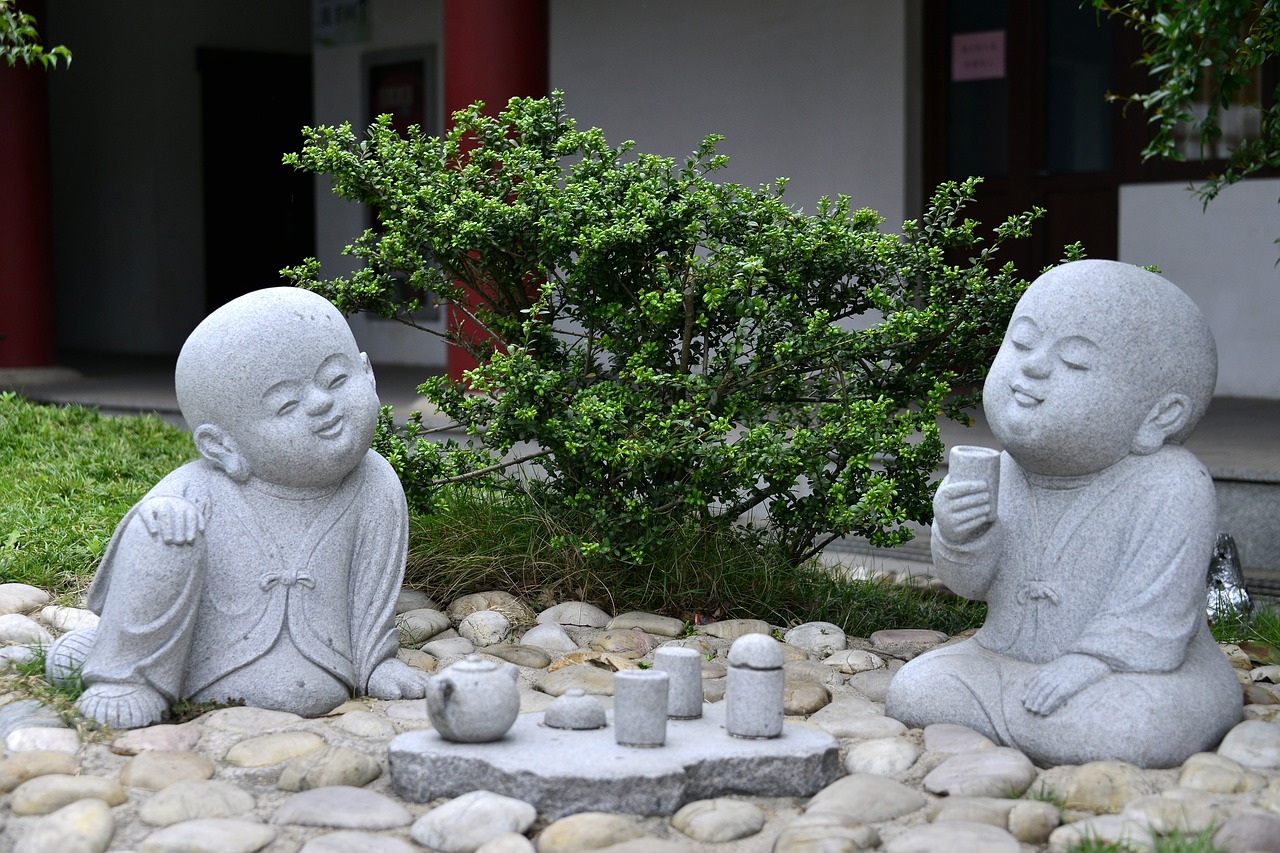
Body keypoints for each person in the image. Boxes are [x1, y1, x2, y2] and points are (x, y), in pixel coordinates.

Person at [884, 260, 1242, 768]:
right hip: (1004, 660)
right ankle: (1034, 726)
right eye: (1023, 343)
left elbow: (1154, 616)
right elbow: (971, 585)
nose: (1032, 366)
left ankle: (1048, 724)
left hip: (1129, 674)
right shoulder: (1002, 470)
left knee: (1131, 727)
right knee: (919, 689)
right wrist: (961, 536)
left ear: (1159, 416)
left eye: (1074, 362)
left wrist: (1086, 664)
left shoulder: (1170, 483)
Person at [51, 288, 426, 728]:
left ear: (369, 375)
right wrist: (164, 512)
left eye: (337, 380)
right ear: (223, 445)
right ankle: (127, 674)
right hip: (200, 658)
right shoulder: (201, 488)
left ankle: (95, 647)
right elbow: (149, 542)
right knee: (163, 530)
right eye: (287, 404)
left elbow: (372, 587)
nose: (322, 402)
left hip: (324, 661)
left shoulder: (374, 482)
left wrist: (375, 662)